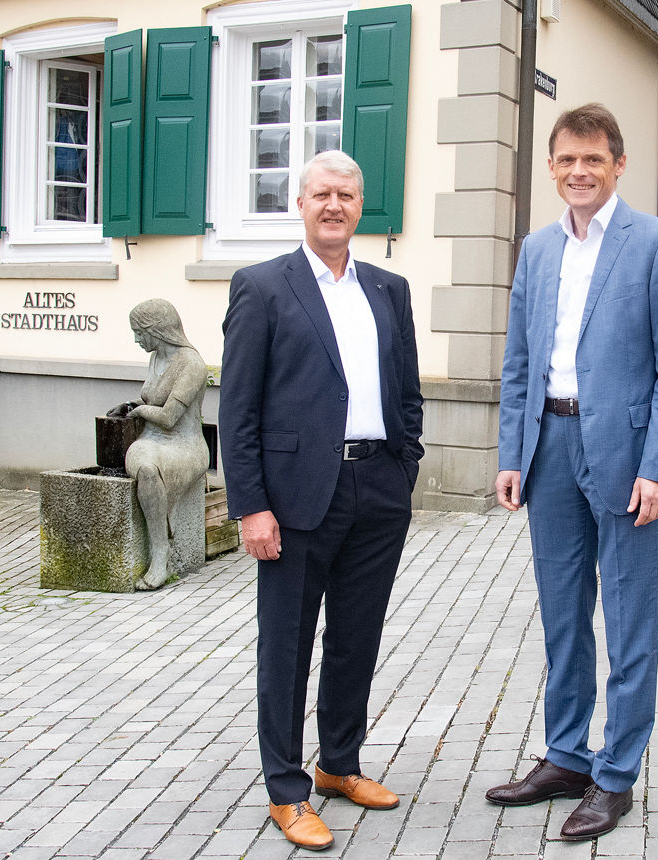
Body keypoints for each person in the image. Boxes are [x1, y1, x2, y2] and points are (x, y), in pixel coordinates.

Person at [487, 103, 658, 841]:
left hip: (627, 458)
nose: (579, 172)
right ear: (552, 167)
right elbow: (519, 364)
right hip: (550, 449)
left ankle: (615, 776)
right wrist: (513, 453)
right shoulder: (537, 249)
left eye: (593, 160)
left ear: (618, 164)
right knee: (563, 618)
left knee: (630, 621)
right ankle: (567, 756)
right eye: (567, 160)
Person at [219, 150, 423, 851]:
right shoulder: (262, 287)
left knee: (355, 640)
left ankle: (338, 764)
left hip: (377, 489)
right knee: (287, 645)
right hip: (295, 497)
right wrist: (250, 505)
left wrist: (404, 469)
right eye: (321, 194)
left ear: (360, 206)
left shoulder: (389, 290)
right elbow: (237, 407)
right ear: (299, 204)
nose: (334, 205)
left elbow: (407, 392)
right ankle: (286, 789)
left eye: (347, 195)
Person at [108, 298, 210, 591]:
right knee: (143, 460)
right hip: (152, 440)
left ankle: (159, 554)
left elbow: (168, 416)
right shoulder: (156, 358)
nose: (137, 339)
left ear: (159, 330)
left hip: (185, 446)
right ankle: (158, 550)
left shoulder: (192, 364)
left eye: (140, 332)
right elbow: (153, 399)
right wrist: (130, 404)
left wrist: (139, 412)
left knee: (150, 469)